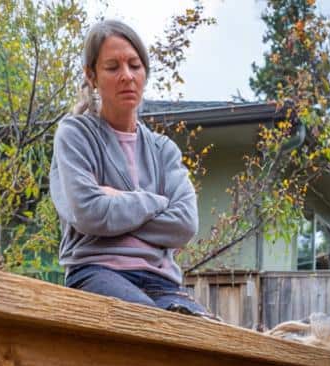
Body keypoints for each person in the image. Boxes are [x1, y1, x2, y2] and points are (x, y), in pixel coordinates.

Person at [49, 20, 213, 318]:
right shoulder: (75, 135)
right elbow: (89, 212)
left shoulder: (163, 150)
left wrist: (119, 200)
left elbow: (185, 224)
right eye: (113, 67)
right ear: (92, 76)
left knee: (210, 335)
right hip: (96, 272)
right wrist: (157, 202)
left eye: (134, 65)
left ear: (144, 72)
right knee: (146, 323)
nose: (127, 75)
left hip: (162, 282)